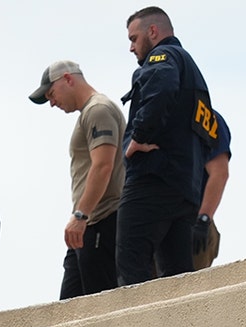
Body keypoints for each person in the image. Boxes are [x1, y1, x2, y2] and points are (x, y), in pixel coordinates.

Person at [118, 6, 218, 285]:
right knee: (177, 279)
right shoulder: (194, 74)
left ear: (153, 31)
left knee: (131, 267)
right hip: (185, 188)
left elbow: (161, 87)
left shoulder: (163, 57)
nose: (131, 47)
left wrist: (136, 138)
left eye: (134, 38)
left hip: (153, 178)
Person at [28, 60, 125, 299]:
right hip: (88, 226)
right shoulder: (91, 112)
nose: (52, 103)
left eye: (51, 94)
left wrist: (81, 215)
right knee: (68, 312)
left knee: (100, 307)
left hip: (100, 220)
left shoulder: (98, 109)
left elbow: (103, 165)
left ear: (68, 79)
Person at [193, 109, 231, 270]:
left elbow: (220, 172)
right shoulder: (153, 116)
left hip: (193, 222)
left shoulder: (205, 116)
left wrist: (203, 220)